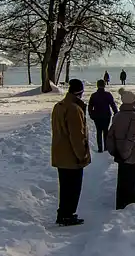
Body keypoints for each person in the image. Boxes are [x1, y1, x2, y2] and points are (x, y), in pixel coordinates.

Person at [50, 79, 92, 226]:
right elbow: (77, 136)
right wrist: (82, 155)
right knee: (73, 188)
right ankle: (68, 215)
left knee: (65, 186)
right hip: (71, 156)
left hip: (60, 153)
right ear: (80, 91)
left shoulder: (59, 106)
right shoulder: (74, 109)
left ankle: (63, 213)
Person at [106, 88, 135, 210]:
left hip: (120, 153)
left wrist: (114, 151)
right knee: (132, 182)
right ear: (132, 102)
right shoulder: (134, 116)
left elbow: (110, 135)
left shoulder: (117, 116)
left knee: (122, 181)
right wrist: (126, 152)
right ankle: (130, 207)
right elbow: (132, 137)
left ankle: (120, 205)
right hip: (132, 154)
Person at [88, 79, 118, 153]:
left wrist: (91, 114)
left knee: (98, 131)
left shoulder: (94, 95)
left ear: (97, 85)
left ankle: (100, 148)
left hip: (97, 116)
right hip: (106, 115)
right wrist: (116, 112)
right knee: (105, 131)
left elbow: (90, 106)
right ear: (104, 85)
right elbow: (112, 104)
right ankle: (106, 148)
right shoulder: (108, 94)